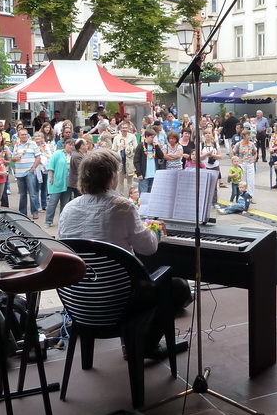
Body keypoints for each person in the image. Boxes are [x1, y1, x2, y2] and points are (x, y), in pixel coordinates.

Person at [57, 149, 190, 359]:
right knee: (179, 287)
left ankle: (134, 343)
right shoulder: (122, 207)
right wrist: (154, 229)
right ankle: (146, 345)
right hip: (120, 305)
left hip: (81, 304)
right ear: (112, 176)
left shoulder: (68, 209)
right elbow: (149, 248)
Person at [45, 138, 76, 227]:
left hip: (67, 183)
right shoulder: (58, 153)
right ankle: (48, 221)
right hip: (56, 182)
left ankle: (63, 221)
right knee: (53, 202)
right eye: (69, 144)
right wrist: (51, 177)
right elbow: (51, 166)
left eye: (73, 145)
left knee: (65, 203)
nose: (71, 146)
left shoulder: (73, 155)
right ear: (65, 145)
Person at [11, 128, 42, 218]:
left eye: (25, 134)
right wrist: (14, 159)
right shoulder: (17, 145)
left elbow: (38, 157)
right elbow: (12, 159)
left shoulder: (33, 144)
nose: (24, 136)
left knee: (32, 193)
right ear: (18, 136)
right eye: (22, 135)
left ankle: (34, 212)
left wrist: (33, 168)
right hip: (19, 172)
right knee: (22, 193)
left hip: (29, 171)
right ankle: (22, 212)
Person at [132, 128, 164, 194]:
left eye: (154, 137)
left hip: (154, 174)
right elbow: (136, 160)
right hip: (144, 175)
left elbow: (161, 156)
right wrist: (139, 173)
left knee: (152, 194)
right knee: (143, 194)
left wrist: (157, 146)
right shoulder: (141, 146)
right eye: (151, 137)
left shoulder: (154, 146)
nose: (153, 139)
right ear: (146, 136)